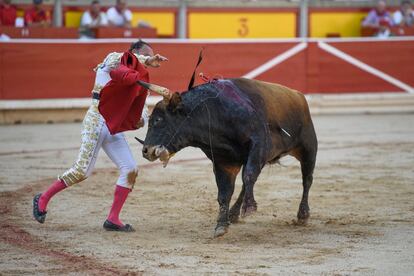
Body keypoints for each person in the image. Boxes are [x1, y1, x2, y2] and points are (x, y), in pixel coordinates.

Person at [33, 40, 168, 232]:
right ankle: (43, 198)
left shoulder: (139, 82)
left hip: (114, 126)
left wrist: (142, 120)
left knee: (130, 168)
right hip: (96, 118)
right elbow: (125, 60)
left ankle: (113, 219)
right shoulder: (114, 59)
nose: (148, 60)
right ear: (134, 53)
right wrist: (147, 59)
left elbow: (143, 109)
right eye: (145, 55)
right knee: (82, 171)